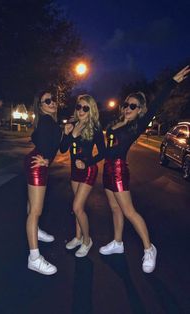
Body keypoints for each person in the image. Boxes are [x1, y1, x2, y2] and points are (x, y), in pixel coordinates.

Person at [100, 65, 190, 273]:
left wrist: (172, 82)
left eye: (133, 106)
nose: (128, 109)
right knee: (115, 208)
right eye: (126, 105)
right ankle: (117, 242)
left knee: (129, 211)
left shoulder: (136, 126)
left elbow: (156, 105)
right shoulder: (114, 124)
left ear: (140, 110)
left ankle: (149, 249)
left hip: (119, 170)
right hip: (107, 169)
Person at [60, 95, 105, 257]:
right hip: (74, 171)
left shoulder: (95, 128)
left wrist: (87, 163)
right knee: (77, 207)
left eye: (85, 108)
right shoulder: (72, 125)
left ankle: (87, 240)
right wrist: (68, 135)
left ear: (91, 110)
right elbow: (63, 149)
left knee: (77, 207)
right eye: (79, 107)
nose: (81, 110)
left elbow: (103, 152)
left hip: (88, 170)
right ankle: (78, 237)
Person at [25, 90, 62, 275]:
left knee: (32, 207)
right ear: (41, 106)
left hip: (37, 162)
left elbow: (53, 145)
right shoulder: (47, 121)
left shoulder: (51, 122)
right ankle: (34, 258)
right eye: (47, 101)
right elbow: (40, 139)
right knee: (36, 210)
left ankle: (36, 230)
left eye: (53, 99)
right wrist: (46, 158)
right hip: (37, 165)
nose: (52, 102)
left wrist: (48, 157)